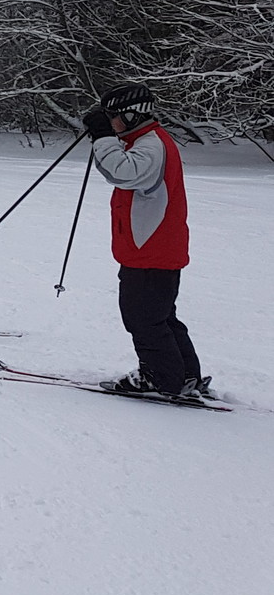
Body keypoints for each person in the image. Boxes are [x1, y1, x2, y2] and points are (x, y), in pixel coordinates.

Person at [84, 83, 210, 401]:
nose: (109, 121)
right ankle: (185, 374)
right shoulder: (146, 141)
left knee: (142, 318)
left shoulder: (151, 146)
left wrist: (102, 137)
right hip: (154, 247)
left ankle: (162, 377)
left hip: (150, 250)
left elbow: (121, 172)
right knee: (160, 316)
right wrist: (105, 136)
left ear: (131, 115)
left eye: (112, 116)